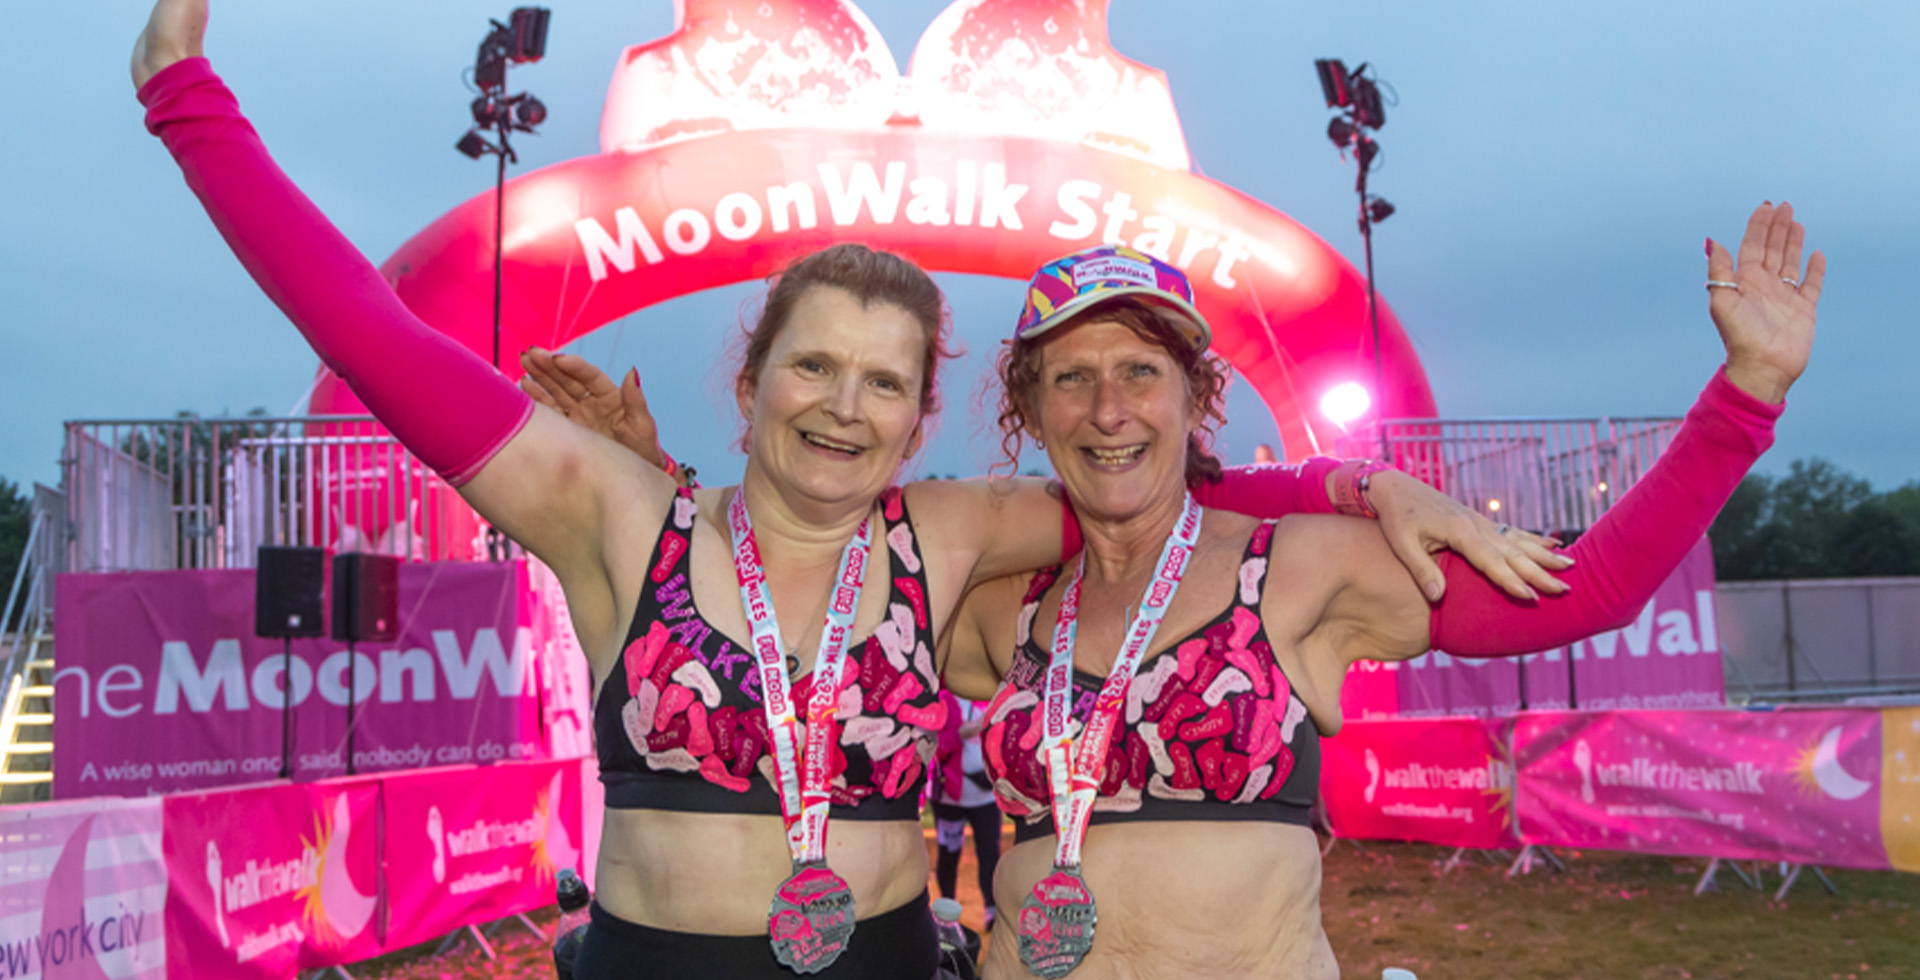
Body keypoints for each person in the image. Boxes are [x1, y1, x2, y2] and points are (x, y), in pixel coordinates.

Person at [127, 4, 1564, 978]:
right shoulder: (623, 514)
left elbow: (1142, 471)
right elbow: (376, 343)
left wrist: (1344, 474)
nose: (843, 406)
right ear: (749, 376)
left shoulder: (954, 534)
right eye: (812, 368)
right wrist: (186, 101)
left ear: (923, 412)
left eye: (884, 382)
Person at [935, 226, 1818, 978]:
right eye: (1070, 378)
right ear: (1028, 406)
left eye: (1139, 371)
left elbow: (1588, 592)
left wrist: (1746, 396)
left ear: (1195, 395)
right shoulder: (1001, 596)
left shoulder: (1297, 566)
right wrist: (1348, 479)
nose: (1108, 409)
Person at [931, 691, 1001, 929]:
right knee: (949, 855)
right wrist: (960, 734)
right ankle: (947, 914)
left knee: (990, 853)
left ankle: (992, 911)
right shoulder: (941, 699)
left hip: (986, 797)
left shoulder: (990, 698)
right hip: (949, 798)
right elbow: (931, 746)